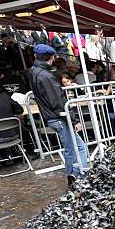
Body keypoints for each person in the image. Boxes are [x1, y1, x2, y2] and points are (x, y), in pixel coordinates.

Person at [27, 44, 87, 187]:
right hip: (58, 116)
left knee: (74, 148)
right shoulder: (46, 75)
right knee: (77, 148)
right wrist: (74, 119)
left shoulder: (33, 71)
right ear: (51, 57)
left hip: (51, 116)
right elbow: (58, 101)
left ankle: (75, 174)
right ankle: (75, 175)